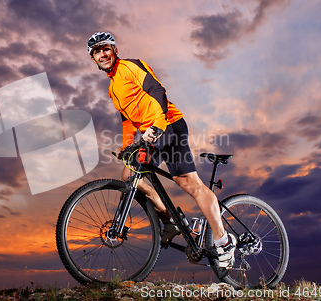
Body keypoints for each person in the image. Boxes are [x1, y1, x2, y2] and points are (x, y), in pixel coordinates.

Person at [87, 31, 236, 277]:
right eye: (96, 52)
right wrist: (126, 145)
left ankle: (224, 242)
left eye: (105, 49)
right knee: (129, 175)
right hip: (150, 133)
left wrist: (157, 125)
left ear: (114, 50)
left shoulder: (130, 66)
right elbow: (127, 119)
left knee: (187, 182)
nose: (102, 54)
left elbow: (158, 91)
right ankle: (171, 221)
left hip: (169, 125)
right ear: (93, 59)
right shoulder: (113, 87)